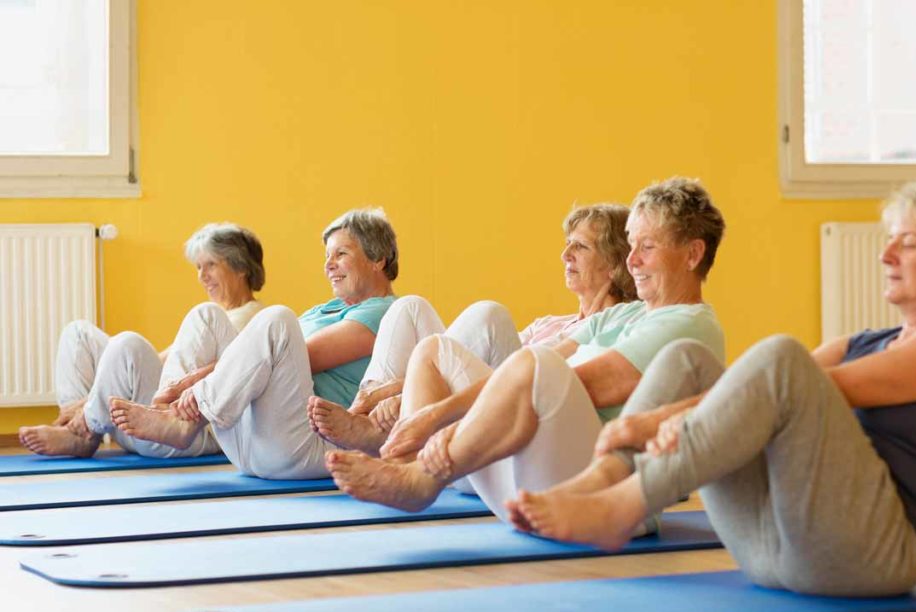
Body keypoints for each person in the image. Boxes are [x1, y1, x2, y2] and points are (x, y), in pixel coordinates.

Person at [513, 178, 916, 598]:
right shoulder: (864, 341)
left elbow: (822, 385)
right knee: (689, 361)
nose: (885, 254)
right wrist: (669, 415)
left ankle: (623, 506)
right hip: (774, 547)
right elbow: (754, 386)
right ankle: (601, 484)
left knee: (782, 357)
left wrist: (662, 418)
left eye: (907, 244)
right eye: (889, 239)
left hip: (869, 558)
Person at [326, 177, 727, 519]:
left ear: (692, 254)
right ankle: (404, 464)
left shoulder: (687, 325)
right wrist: (432, 416)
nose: (633, 261)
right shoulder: (620, 318)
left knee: (537, 364)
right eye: (631, 245)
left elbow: (582, 385)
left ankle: (422, 478)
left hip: (585, 485)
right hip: (528, 460)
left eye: (648, 248)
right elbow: (528, 374)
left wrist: (440, 419)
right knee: (436, 350)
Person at [307, 203, 637, 454]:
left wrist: (396, 393)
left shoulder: (620, 324)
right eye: (567, 244)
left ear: (612, 262)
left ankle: (380, 428)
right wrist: (395, 392)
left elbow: (526, 377)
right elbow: (477, 360)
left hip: (526, 426)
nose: (565, 254)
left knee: (488, 315)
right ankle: (382, 423)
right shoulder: (550, 324)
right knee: (412, 309)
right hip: (478, 417)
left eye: (580, 246)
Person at [109, 208, 399, 479]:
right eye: (327, 256)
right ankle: (169, 413)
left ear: (378, 259)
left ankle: (184, 420)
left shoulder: (385, 312)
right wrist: (185, 387)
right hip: (255, 440)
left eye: (341, 253)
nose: (329, 265)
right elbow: (257, 358)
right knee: (207, 315)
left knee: (277, 317)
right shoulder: (322, 310)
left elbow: (304, 357)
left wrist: (193, 384)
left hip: (306, 443)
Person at [18, 222, 266, 458]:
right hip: (142, 423)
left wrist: (88, 404)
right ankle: (77, 430)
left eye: (210, 265)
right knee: (79, 333)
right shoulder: (214, 316)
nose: (202, 276)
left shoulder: (250, 317)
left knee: (127, 344)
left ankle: (83, 429)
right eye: (198, 267)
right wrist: (86, 402)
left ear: (240, 267)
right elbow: (161, 362)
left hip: (186, 432)